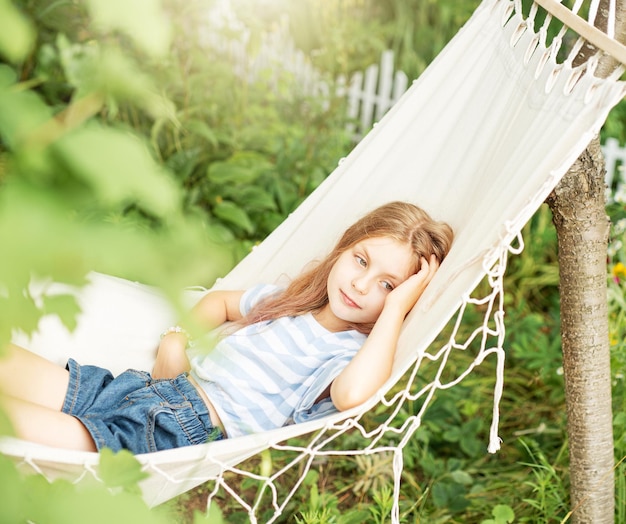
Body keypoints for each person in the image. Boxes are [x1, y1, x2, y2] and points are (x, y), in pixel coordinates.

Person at [0, 201, 453, 455]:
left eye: (386, 285)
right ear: (343, 248)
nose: (360, 283)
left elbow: (354, 396)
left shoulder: (346, 355)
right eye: (361, 260)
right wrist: (175, 339)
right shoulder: (290, 303)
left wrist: (394, 311)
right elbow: (218, 303)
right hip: (144, 387)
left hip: (175, 432)